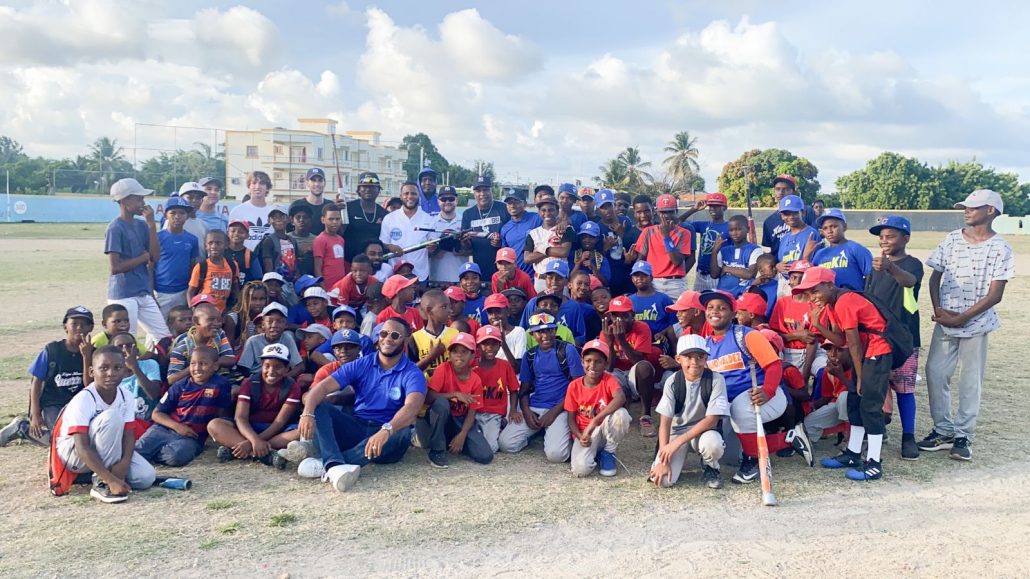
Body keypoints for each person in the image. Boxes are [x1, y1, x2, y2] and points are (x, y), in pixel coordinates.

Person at [920, 190, 1014, 461]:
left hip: (977, 323)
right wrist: (938, 310)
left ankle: (963, 436)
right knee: (936, 372)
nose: (966, 211)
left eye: (973, 207)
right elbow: (934, 278)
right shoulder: (951, 240)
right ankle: (943, 430)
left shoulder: (1000, 248)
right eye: (965, 207)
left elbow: (995, 294)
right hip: (945, 321)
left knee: (970, 380)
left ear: (991, 211)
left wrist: (962, 317)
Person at [295, 317, 427, 492]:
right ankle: (335, 466)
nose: (387, 339)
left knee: (402, 432)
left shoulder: (412, 372)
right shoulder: (361, 364)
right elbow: (322, 388)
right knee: (319, 405)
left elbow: (411, 409)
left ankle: (328, 462)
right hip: (358, 426)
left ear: (406, 339)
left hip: (388, 434)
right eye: (384, 333)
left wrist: (386, 430)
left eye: (395, 335)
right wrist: (308, 413)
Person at [795, 267, 892, 481]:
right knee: (855, 403)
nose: (812, 297)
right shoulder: (831, 305)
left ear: (830, 285)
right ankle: (853, 453)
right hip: (866, 355)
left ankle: (874, 463)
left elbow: (854, 344)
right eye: (809, 293)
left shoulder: (846, 301)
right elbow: (840, 341)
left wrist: (860, 376)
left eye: (815, 291)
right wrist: (819, 323)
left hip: (877, 352)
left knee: (869, 406)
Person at [699, 290, 788, 484]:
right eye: (711, 308)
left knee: (742, 407)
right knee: (730, 457)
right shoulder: (705, 345)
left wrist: (768, 390)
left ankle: (753, 462)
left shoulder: (746, 335)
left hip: (762, 397)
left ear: (733, 314)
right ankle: (788, 439)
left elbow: (774, 365)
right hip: (730, 408)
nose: (715, 312)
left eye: (722, 308)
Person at [51, 346, 156, 502]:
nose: (111, 373)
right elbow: (82, 446)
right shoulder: (84, 399)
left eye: (117, 368)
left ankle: (96, 474)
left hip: (106, 450)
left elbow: (128, 435)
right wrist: (112, 479)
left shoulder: (126, 396)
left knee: (146, 477)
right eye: (104, 368)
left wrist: (124, 463)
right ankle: (102, 483)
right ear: (92, 372)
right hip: (74, 454)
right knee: (111, 417)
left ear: (125, 370)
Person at [865, 216, 924, 460]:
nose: (884, 240)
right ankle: (877, 431)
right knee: (875, 388)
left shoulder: (912, 264)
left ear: (906, 238)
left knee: (904, 388)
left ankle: (908, 436)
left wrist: (890, 266)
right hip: (878, 336)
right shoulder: (875, 266)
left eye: (891, 236)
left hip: (904, 337)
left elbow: (909, 282)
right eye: (881, 237)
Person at [0, 307, 93, 447]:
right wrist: (35, 413)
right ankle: (22, 428)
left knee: (83, 436)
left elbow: (89, 386)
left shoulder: (92, 352)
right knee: (61, 439)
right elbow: (36, 382)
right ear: (65, 326)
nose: (79, 327)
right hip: (53, 403)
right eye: (74, 323)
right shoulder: (53, 350)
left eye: (84, 324)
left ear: (91, 328)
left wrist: (86, 357)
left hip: (78, 404)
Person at [498, 312, 583, 462]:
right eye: (539, 331)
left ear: (555, 330)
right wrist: (526, 410)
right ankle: (539, 431)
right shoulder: (529, 355)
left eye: (549, 330)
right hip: (536, 406)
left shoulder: (567, 350)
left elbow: (578, 388)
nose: (545, 335)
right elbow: (524, 389)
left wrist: (553, 413)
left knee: (556, 456)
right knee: (506, 444)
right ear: (532, 334)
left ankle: (554, 433)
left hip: (561, 407)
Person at [649, 335, 728, 489]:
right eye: (688, 357)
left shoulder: (716, 379)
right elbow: (665, 422)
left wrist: (677, 443)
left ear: (706, 358)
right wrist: (664, 457)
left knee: (713, 444)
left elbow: (712, 419)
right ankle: (674, 459)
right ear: (678, 359)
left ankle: (711, 467)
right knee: (664, 481)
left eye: (700, 357)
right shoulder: (673, 381)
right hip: (677, 432)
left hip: (704, 432)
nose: (694, 362)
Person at [208, 343, 303, 468]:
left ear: (287, 369)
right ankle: (265, 454)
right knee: (214, 425)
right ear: (261, 366)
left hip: (276, 431)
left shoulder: (292, 386)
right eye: (267, 366)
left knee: (300, 433)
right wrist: (254, 440)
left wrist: (252, 442)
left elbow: (279, 422)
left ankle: (243, 450)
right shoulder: (250, 382)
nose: (271, 371)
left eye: (278, 367)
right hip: (248, 428)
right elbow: (240, 418)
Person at [136, 346, 232, 466]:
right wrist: (177, 427)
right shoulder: (180, 386)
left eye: (203, 364)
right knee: (138, 452)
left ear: (215, 366)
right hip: (164, 429)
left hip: (191, 437)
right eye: (193, 363)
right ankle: (150, 454)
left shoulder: (221, 385)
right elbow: (156, 414)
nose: (197, 368)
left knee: (177, 457)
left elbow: (222, 413)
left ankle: (154, 455)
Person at [105, 178, 172, 347]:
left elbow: (155, 257)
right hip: (123, 293)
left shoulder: (142, 225)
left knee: (164, 337)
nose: (142, 202)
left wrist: (151, 225)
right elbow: (115, 267)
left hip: (142, 291)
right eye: (138, 198)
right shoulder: (115, 228)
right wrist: (142, 258)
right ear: (125, 200)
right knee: (126, 341)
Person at [424, 332, 493, 467]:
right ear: (450, 355)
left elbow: (472, 412)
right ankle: (436, 450)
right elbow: (429, 397)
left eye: (464, 351)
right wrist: (454, 394)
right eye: (455, 351)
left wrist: (462, 435)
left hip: (461, 420)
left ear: (473, 355)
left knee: (485, 456)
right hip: (442, 417)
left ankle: (453, 442)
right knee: (442, 403)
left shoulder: (475, 380)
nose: (459, 355)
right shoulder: (443, 369)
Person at [565, 339, 630, 477]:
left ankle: (608, 452)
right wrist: (580, 436)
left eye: (598, 361)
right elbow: (570, 419)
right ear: (582, 362)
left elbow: (620, 397)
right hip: (586, 433)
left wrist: (595, 421)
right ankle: (596, 453)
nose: (592, 365)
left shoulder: (609, 379)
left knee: (621, 415)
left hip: (604, 430)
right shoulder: (574, 386)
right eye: (588, 360)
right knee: (580, 470)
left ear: (605, 364)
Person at [599, 296, 658, 436]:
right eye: (615, 315)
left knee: (644, 367)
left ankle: (646, 416)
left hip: (635, 373)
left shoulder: (641, 327)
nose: (619, 320)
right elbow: (609, 368)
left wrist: (621, 340)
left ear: (633, 315)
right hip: (617, 373)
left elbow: (638, 360)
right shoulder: (606, 332)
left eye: (624, 315)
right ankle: (622, 405)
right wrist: (610, 343)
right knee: (604, 376)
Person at [769, 260, 826, 385]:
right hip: (786, 351)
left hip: (812, 352)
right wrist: (796, 336)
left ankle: (818, 403)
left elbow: (812, 341)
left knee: (824, 370)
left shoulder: (816, 304)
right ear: (789, 280)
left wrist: (804, 376)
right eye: (794, 277)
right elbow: (774, 336)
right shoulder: (782, 303)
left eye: (803, 278)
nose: (798, 282)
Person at [629, 194, 695, 298]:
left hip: (675, 283)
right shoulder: (648, 232)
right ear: (657, 212)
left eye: (670, 211)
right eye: (663, 212)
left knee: (678, 314)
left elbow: (677, 261)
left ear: (676, 211)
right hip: (653, 282)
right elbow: (640, 258)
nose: (667, 215)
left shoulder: (684, 233)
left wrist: (666, 236)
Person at [472, 325, 520, 453]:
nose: (489, 348)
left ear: (500, 346)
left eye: (494, 344)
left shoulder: (504, 366)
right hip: (473, 412)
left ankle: (499, 427)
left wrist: (513, 410)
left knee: (491, 448)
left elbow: (514, 390)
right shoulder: (472, 365)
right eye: (485, 344)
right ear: (478, 346)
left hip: (494, 413)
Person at [166, 303, 236, 385]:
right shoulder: (183, 346)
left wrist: (209, 363)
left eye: (219, 320)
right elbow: (171, 379)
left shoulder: (219, 334)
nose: (217, 324)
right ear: (196, 321)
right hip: (193, 386)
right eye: (211, 319)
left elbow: (230, 359)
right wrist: (197, 366)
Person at [108, 332, 162, 439]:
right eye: (120, 347)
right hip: (123, 426)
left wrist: (134, 367)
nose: (125, 350)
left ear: (136, 350)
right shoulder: (109, 374)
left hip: (149, 424)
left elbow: (154, 394)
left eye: (129, 345)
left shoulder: (149, 364)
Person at [519, 261, 586, 345]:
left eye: (559, 278)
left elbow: (580, 337)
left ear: (566, 281)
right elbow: (523, 331)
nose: (554, 281)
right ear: (545, 279)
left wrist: (564, 348)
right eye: (550, 277)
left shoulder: (573, 306)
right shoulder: (533, 303)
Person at [154, 196, 200, 317]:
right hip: (161, 292)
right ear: (165, 215)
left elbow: (192, 266)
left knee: (181, 326)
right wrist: (151, 293)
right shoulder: (157, 238)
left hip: (183, 291)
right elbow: (150, 266)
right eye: (173, 212)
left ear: (187, 216)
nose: (177, 216)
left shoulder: (192, 239)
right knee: (160, 329)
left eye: (182, 213)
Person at [381, 182, 435, 282]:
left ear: (419, 196)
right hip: (395, 273)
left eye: (414, 193)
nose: (410, 196)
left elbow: (432, 247)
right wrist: (390, 247)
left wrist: (432, 248)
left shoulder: (429, 219)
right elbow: (383, 243)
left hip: (420, 274)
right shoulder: (389, 218)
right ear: (401, 196)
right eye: (406, 193)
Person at [459, 175, 509, 281]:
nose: (482, 194)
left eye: (486, 190)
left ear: (491, 190)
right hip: (480, 268)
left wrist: (501, 243)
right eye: (478, 191)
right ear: (474, 193)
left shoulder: (503, 208)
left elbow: (512, 235)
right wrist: (465, 241)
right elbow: (467, 248)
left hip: (503, 266)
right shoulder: (468, 214)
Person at [678, 192, 731, 291]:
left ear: (724, 208)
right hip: (701, 274)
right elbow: (678, 223)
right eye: (710, 206)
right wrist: (694, 209)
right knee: (697, 303)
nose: (712, 209)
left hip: (717, 274)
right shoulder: (703, 225)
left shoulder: (729, 227)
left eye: (716, 206)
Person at [803, 339, 853, 442]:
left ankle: (851, 438)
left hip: (857, 408)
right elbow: (828, 397)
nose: (833, 354)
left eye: (839, 350)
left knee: (844, 397)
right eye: (829, 350)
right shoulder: (829, 370)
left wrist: (841, 376)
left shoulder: (857, 368)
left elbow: (860, 394)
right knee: (807, 424)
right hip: (838, 407)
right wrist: (813, 405)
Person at [811, 209, 873, 291]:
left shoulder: (855, 249)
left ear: (844, 227)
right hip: (827, 300)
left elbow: (871, 276)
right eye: (825, 228)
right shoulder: (819, 254)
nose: (829, 231)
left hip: (852, 298)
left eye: (834, 226)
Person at [593, 189, 638, 297]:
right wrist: (605, 248)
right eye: (603, 207)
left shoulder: (625, 221)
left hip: (626, 270)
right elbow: (597, 257)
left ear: (614, 205)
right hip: (610, 273)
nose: (607, 210)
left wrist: (622, 235)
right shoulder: (598, 227)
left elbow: (633, 245)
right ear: (598, 210)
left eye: (609, 205)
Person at [524, 194, 575, 292]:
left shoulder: (566, 229)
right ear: (539, 212)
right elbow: (527, 259)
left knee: (561, 305)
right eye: (543, 210)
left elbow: (563, 252)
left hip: (560, 279)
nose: (547, 213)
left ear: (557, 211)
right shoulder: (533, 233)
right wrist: (553, 248)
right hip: (540, 279)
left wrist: (541, 249)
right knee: (540, 306)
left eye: (551, 210)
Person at [237, 303, 303, 375]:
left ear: (286, 325)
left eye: (279, 321)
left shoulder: (287, 339)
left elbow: (299, 366)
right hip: (256, 377)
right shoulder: (253, 341)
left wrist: (284, 379)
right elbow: (244, 369)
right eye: (270, 321)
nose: (274, 325)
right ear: (263, 325)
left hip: (279, 377)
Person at [761, 175, 817, 257]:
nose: (781, 192)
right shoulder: (769, 221)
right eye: (778, 189)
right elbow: (768, 250)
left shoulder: (805, 211)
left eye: (786, 189)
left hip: (804, 261)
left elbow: (814, 239)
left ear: (793, 192)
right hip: (780, 264)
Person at [187, 230, 240, 314]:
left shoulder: (233, 265)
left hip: (224, 310)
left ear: (226, 245)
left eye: (218, 243)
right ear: (205, 246)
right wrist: (192, 309)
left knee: (230, 323)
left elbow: (235, 288)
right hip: (204, 309)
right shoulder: (201, 267)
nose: (214, 246)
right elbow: (190, 291)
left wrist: (238, 305)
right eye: (210, 243)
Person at [410, 289, 459, 379]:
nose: (449, 310)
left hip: (451, 389)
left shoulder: (455, 334)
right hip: (425, 390)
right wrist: (431, 356)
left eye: (449, 306)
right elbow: (410, 371)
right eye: (444, 307)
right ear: (429, 311)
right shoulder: (415, 338)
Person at [773, 195, 821, 282]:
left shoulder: (812, 234)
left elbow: (817, 264)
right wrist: (778, 266)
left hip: (804, 281)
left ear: (803, 212)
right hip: (785, 282)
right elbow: (781, 260)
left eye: (794, 212)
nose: (790, 217)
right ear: (781, 216)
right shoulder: (785, 237)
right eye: (786, 214)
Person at [710, 215, 761, 296]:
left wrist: (726, 268)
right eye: (731, 230)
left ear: (747, 229)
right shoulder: (723, 250)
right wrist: (714, 251)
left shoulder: (755, 250)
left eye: (738, 229)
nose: (734, 233)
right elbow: (714, 275)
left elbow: (749, 274)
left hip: (743, 294)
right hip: (723, 294)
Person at [344, 172, 389, 264]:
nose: (368, 189)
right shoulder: (347, 208)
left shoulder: (385, 214)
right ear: (359, 190)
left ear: (378, 190)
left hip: (376, 264)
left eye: (372, 187)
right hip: (351, 263)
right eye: (364, 186)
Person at [500, 187, 543, 276]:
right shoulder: (505, 228)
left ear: (525, 204)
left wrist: (565, 221)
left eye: (516, 202)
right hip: (516, 277)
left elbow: (555, 220)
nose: (512, 206)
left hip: (535, 275)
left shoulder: (536, 218)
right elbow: (506, 255)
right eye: (509, 203)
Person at [627, 261, 676, 337]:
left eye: (644, 275)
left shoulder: (664, 299)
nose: (640, 278)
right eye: (636, 275)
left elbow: (674, 325)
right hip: (636, 340)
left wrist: (663, 333)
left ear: (651, 278)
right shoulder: (628, 301)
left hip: (658, 340)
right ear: (632, 279)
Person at [228, 171, 274, 251]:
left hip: (268, 259)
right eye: (254, 183)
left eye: (262, 183)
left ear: (267, 188)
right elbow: (230, 238)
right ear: (249, 186)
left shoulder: (273, 211)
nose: (257, 186)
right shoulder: (237, 211)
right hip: (244, 259)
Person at [427, 186, 464, 285]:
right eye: (443, 199)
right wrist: (439, 247)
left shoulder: (465, 222)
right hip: (436, 279)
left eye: (451, 199)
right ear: (438, 201)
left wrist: (456, 247)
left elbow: (471, 250)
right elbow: (427, 253)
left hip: (460, 278)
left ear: (456, 200)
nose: (447, 202)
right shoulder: (430, 223)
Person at [289, 168, 341, 236]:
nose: (317, 184)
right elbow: (289, 232)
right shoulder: (296, 205)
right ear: (307, 183)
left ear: (324, 183)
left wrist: (342, 211)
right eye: (313, 180)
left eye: (320, 180)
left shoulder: (331, 206)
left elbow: (338, 231)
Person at [483, 293, 526, 367]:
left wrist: (503, 342)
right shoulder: (484, 334)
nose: (494, 316)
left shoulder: (518, 332)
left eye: (498, 311)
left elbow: (517, 368)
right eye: (490, 312)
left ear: (508, 312)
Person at [259, 204, 300, 281]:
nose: (278, 219)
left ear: (288, 219)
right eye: (274, 217)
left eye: (282, 216)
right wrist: (272, 282)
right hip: (277, 282)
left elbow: (296, 261)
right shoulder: (269, 241)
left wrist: (297, 277)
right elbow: (268, 265)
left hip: (292, 282)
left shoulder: (292, 240)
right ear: (269, 221)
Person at [170, 182, 210, 257]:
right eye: (190, 197)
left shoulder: (204, 225)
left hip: (199, 267)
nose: (194, 200)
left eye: (198, 198)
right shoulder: (173, 223)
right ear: (181, 199)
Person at [313, 203, 347, 288]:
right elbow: (317, 268)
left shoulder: (341, 239)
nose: (334, 222)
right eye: (331, 219)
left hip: (340, 286)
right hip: (327, 286)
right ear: (323, 220)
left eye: (337, 219)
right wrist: (323, 287)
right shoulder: (320, 240)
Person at [569, 221, 611, 286]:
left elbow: (605, 283)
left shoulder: (602, 259)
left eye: (591, 237)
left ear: (597, 239)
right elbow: (569, 279)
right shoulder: (572, 255)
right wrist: (580, 262)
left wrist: (593, 267)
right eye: (584, 237)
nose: (587, 240)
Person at [226, 219, 263, 285]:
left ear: (247, 236)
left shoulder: (251, 256)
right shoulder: (221, 252)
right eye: (233, 231)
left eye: (241, 232)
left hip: (243, 293)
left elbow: (258, 279)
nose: (236, 234)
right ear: (227, 233)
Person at [289, 205, 316, 277]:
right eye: (298, 217)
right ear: (292, 220)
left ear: (310, 220)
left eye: (305, 217)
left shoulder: (317, 240)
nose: (301, 220)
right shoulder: (285, 239)